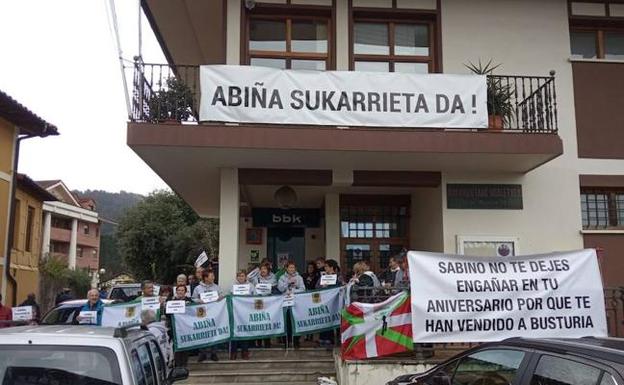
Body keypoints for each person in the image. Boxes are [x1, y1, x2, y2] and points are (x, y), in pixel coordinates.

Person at [192, 270, 221, 362]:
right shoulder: (198, 288)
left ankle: (214, 353)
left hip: (214, 313)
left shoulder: (217, 287)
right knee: (202, 332)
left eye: (213, 276)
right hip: (202, 313)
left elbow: (221, 296)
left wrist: (220, 298)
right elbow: (193, 298)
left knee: (214, 331)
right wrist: (200, 301)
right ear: (205, 278)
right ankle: (202, 353)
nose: (213, 278)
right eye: (211, 276)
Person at [278, 261, 305, 348]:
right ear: (286, 268)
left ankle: (296, 340)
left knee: (296, 320)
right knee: (287, 321)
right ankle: (287, 341)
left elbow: (302, 289)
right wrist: (288, 283)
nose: (291, 269)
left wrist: (293, 291)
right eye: (290, 267)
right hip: (286, 302)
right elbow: (280, 288)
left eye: (293, 268)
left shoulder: (299, 277)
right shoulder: (282, 277)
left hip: (296, 302)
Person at [230, 270, 253, 360]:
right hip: (236, 312)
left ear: (246, 277)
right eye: (239, 276)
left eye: (242, 276)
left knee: (245, 331)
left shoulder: (250, 286)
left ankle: (245, 351)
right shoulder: (233, 286)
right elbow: (231, 296)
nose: (241, 277)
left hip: (247, 311)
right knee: (235, 330)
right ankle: (233, 352)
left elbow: (254, 296)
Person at [172, 285, 193, 367]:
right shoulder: (171, 301)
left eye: (182, 290)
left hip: (185, 328)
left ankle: (184, 365)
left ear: (185, 292)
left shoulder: (189, 301)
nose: (180, 292)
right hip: (175, 328)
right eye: (179, 290)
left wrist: (189, 306)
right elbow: (167, 314)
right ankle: (177, 365)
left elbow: (193, 313)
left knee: (185, 347)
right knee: (176, 347)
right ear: (176, 292)